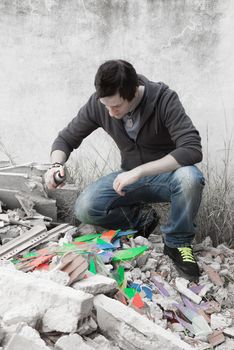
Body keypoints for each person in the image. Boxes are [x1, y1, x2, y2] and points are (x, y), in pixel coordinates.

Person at [45, 59, 205, 280]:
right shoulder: (99, 104)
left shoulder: (164, 99)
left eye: (117, 106)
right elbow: (66, 138)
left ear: (133, 93)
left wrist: (139, 171)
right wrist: (56, 165)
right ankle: (143, 220)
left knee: (190, 177)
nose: (110, 112)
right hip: (130, 179)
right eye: (106, 106)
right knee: (86, 207)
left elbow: (192, 149)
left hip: (168, 177)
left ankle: (177, 243)